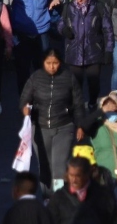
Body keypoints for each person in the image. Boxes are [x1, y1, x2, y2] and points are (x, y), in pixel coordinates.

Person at [21, 48, 84, 188]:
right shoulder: (35, 78)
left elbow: (78, 104)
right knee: (44, 168)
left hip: (64, 127)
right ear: (43, 62)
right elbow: (25, 99)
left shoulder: (69, 77)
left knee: (58, 169)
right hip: (40, 128)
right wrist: (25, 108)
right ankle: (46, 198)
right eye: (48, 63)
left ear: (60, 63)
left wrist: (80, 125)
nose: (52, 66)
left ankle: (58, 200)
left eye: (55, 63)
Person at [6, 0, 66, 94]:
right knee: (22, 69)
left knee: (43, 67)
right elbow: (5, 6)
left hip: (42, 32)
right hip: (22, 34)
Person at [59, 0, 113, 109]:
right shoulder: (68, 7)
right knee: (75, 84)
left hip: (93, 51)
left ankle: (92, 103)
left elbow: (108, 29)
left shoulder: (98, 7)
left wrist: (108, 51)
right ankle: (76, 106)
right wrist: (64, 30)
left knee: (93, 83)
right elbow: (60, 23)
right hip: (74, 52)